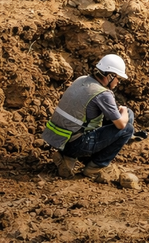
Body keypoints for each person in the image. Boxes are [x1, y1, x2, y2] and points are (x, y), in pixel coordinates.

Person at [42, 54, 135, 183]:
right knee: (128, 126)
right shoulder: (103, 94)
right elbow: (120, 125)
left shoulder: (81, 80)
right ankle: (95, 166)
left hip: (58, 139)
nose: (118, 82)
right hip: (75, 143)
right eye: (117, 78)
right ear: (110, 75)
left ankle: (68, 158)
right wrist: (124, 111)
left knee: (111, 120)